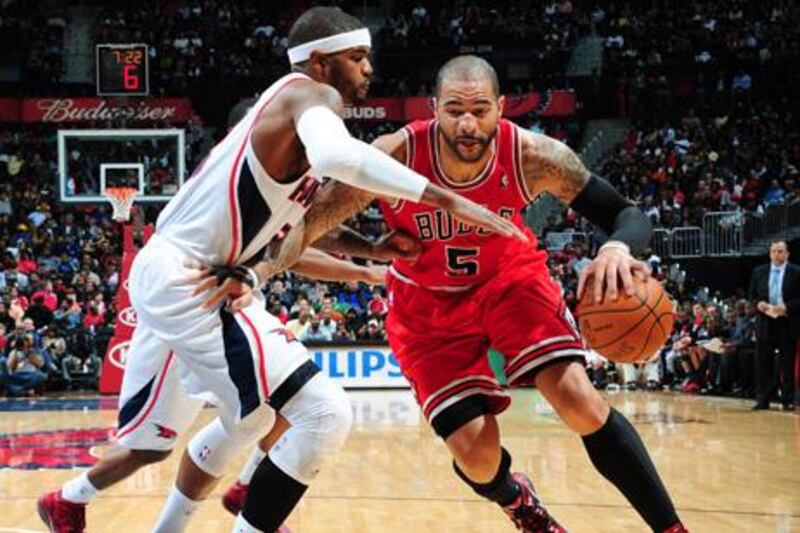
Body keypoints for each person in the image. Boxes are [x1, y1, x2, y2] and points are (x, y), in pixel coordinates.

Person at [38, 9, 520, 533]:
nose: (368, 70)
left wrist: (373, 252)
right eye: (357, 58)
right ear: (320, 62)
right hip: (193, 277)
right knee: (320, 413)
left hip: (186, 278)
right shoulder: (309, 94)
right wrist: (447, 199)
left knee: (162, 442)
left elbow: (298, 231)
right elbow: (340, 155)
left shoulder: (291, 131)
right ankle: (252, 497)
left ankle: (73, 500)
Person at [215, 56, 687, 533]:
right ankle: (517, 500)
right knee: (476, 454)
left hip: (509, 281)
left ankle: (671, 528)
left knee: (576, 398)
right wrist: (257, 271)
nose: (467, 123)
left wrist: (616, 245)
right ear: (434, 108)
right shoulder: (393, 154)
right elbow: (306, 223)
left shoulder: (532, 155)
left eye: (480, 110)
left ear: (501, 108)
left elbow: (626, 213)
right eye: (455, 109)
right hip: (426, 305)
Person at [749, 239, 799, 411]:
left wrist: (787, 306)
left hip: (787, 321)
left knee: (787, 362)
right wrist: (758, 304)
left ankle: (788, 398)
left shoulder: (796, 272)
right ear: (769, 253)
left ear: (787, 254)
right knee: (763, 363)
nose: (777, 254)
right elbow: (753, 295)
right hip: (765, 321)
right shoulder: (759, 271)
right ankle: (763, 399)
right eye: (774, 251)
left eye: (780, 251)